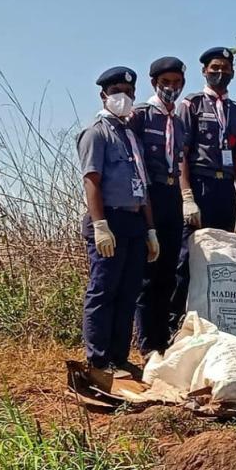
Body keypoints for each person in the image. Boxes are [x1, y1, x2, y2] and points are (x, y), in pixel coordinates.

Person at [77, 66, 160, 388]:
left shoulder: (130, 135)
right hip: (109, 219)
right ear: (103, 95)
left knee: (128, 291)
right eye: (116, 92)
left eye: (128, 92)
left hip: (135, 220)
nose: (122, 98)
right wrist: (100, 224)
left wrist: (150, 228)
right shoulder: (96, 133)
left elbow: (142, 184)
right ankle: (98, 359)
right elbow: (92, 180)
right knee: (103, 290)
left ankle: (119, 356)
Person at [171, 47, 236, 332]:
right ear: (204, 70)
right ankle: (176, 326)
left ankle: (215, 323)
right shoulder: (191, 104)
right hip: (199, 185)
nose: (221, 73)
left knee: (221, 258)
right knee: (186, 258)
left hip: (224, 188)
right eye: (215, 68)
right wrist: (187, 196)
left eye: (226, 69)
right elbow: (181, 152)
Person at [131, 56, 189, 358]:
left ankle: (161, 337)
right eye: (166, 83)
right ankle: (145, 343)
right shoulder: (141, 115)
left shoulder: (178, 122)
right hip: (149, 195)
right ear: (155, 83)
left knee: (168, 270)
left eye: (177, 83)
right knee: (147, 271)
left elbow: (179, 159)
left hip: (171, 195)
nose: (171, 88)